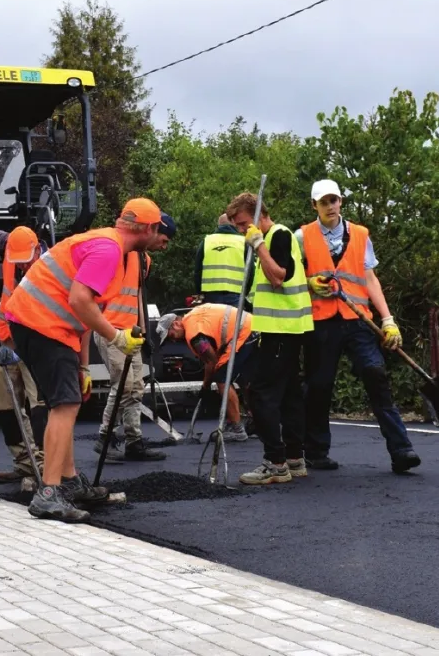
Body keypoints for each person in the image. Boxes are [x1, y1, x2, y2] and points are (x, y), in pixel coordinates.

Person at [4, 199, 158, 522]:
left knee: (66, 401)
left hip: (39, 324)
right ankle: (49, 492)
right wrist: (116, 337)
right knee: (65, 405)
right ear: (148, 228)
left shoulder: (106, 245)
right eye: (157, 231)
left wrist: (83, 366)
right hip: (40, 323)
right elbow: (79, 300)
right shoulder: (109, 250)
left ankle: (69, 481)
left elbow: (86, 313)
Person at [296, 179, 421, 474]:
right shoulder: (301, 237)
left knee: (375, 374)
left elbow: (369, 279)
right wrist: (308, 282)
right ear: (314, 205)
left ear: (341, 202)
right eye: (324, 202)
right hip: (321, 323)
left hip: (358, 320)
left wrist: (387, 319)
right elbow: (289, 276)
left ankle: (401, 450)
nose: (330, 206)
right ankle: (315, 452)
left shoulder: (361, 235)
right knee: (319, 386)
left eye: (334, 200)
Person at [224, 192, 313, 485]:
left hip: (281, 330)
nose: (242, 231)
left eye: (244, 224)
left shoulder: (278, 236)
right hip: (285, 329)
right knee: (289, 395)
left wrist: (258, 244)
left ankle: (275, 463)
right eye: (238, 226)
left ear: (260, 215)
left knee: (261, 394)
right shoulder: (275, 237)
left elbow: (278, 276)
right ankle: (294, 459)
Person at [91, 211, 176, 462]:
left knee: (136, 389)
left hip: (132, 333)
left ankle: (134, 442)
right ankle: (105, 438)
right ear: (153, 231)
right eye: (164, 239)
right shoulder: (114, 251)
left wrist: (144, 332)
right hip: (111, 331)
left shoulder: (144, 260)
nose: (165, 246)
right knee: (124, 387)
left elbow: (137, 294)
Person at [0, 226, 48, 485]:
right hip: (8, 341)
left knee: (39, 407)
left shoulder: (50, 268)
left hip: (36, 345)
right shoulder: (12, 245)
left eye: (26, 260)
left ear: (37, 250)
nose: (22, 266)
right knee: (5, 406)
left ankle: (45, 467)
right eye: (17, 260)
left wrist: (20, 353)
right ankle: (24, 462)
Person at [155, 303, 257, 442]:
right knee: (243, 379)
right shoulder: (193, 317)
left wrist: (205, 386)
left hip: (242, 334)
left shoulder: (194, 336)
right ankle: (257, 421)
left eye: (170, 335)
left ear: (176, 324)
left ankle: (238, 430)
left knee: (222, 379)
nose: (173, 340)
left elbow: (212, 362)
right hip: (251, 326)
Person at [194, 213, 247, 306]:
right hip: (236, 294)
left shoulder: (207, 241)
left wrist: (199, 292)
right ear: (234, 224)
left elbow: (198, 270)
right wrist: (245, 292)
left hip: (210, 295)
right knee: (233, 316)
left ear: (218, 225)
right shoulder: (243, 242)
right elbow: (251, 271)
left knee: (214, 316)